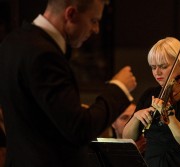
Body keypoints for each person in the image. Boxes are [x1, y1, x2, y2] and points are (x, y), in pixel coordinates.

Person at [0, 0, 137, 167]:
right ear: (70, 14)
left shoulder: (12, 42)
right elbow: (80, 129)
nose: (96, 29)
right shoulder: (44, 55)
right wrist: (119, 88)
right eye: (93, 20)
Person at [123, 37, 180, 167]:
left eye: (163, 66)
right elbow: (127, 138)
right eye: (153, 67)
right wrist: (136, 117)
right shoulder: (149, 94)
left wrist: (169, 116)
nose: (157, 72)